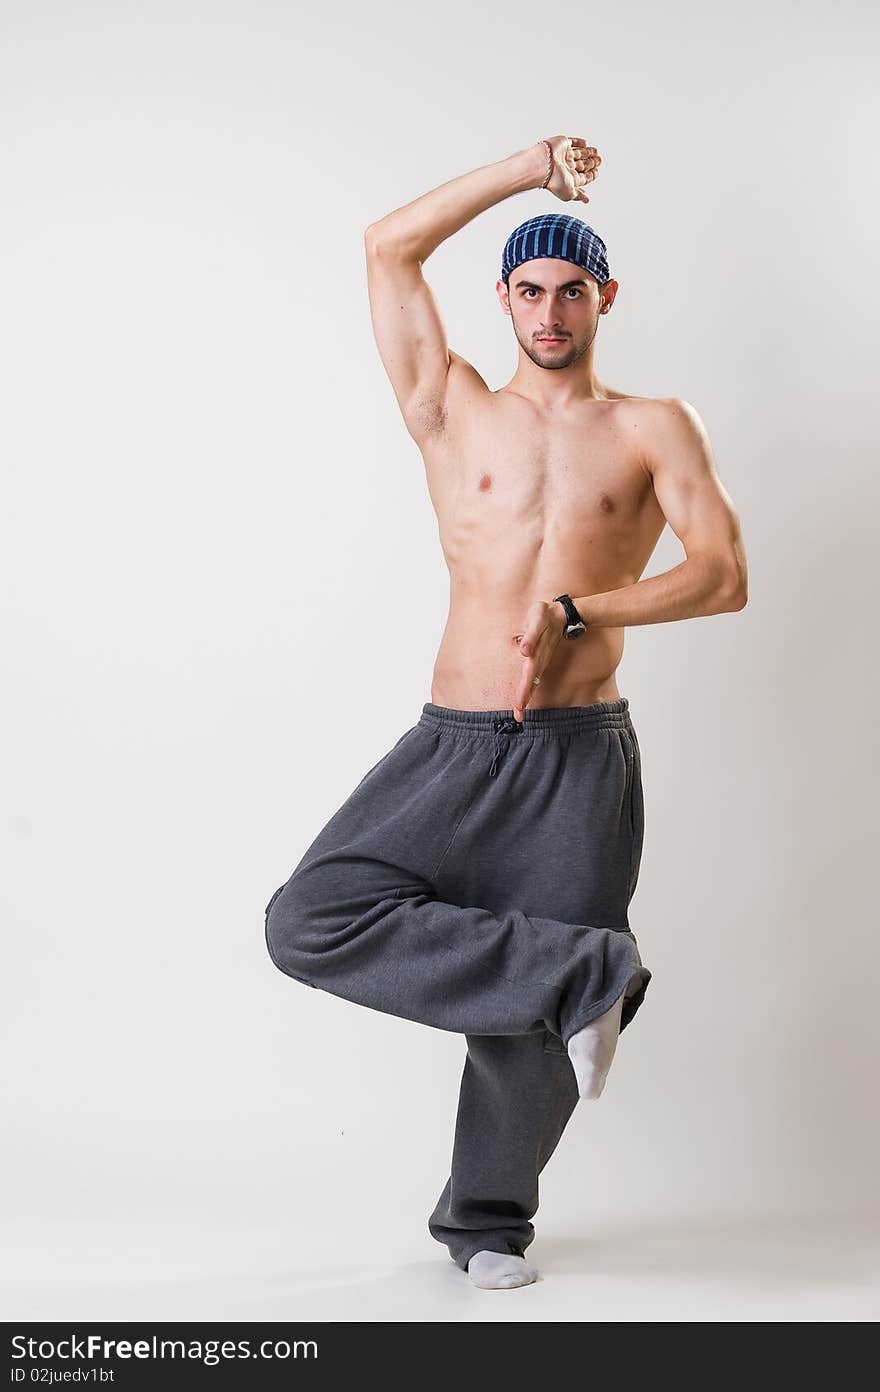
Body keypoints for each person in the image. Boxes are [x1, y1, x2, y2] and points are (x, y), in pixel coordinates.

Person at [264, 134, 748, 1291]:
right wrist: (529, 170)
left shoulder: (652, 427)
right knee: (310, 919)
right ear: (503, 297)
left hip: (579, 753)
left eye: (570, 288)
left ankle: (486, 1224)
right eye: (528, 289)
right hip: (454, 740)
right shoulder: (452, 408)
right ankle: (589, 973)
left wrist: (581, 610)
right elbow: (387, 244)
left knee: (521, 1033)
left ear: (603, 297)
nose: (548, 308)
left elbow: (722, 574)